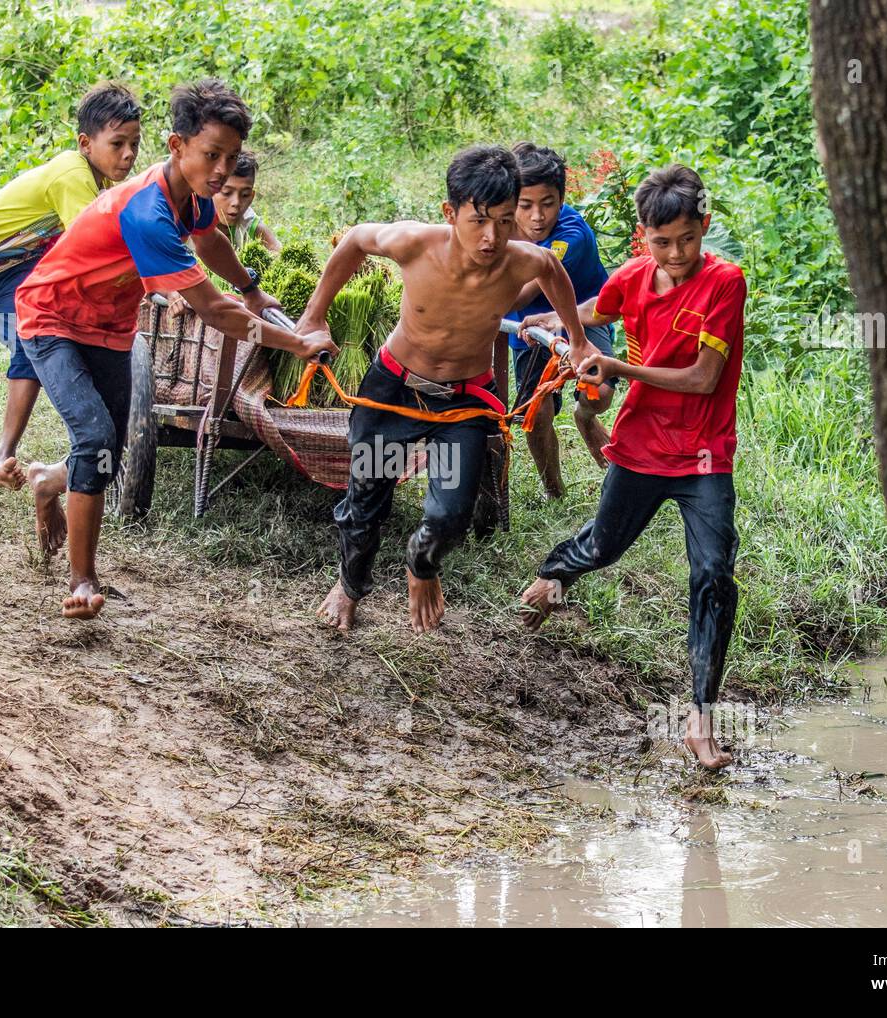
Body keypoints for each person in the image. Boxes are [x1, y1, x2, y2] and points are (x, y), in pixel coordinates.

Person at [14, 79, 336, 618]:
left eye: (231, 157)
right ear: (176, 146)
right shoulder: (148, 213)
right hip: (53, 318)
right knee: (94, 437)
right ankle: (83, 580)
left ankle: (49, 480)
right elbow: (214, 311)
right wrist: (294, 341)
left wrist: (252, 287)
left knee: (107, 454)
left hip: (111, 324)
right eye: (211, 154)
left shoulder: (194, 198)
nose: (220, 169)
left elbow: (210, 241)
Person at [295, 145, 590, 635]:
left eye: (503, 220)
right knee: (368, 499)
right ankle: (349, 585)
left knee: (451, 513)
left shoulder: (523, 261)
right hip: (392, 392)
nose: (491, 236)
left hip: (463, 401)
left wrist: (577, 342)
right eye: (478, 220)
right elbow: (352, 241)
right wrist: (314, 315)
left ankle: (422, 566)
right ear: (450, 213)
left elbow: (552, 272)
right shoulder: (414, 243)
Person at [519, 164, 747, 770]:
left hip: (703, 455)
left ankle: (700, 717)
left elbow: (703, 380)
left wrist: (618, 369)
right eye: (660, 242)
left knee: (714, 575)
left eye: (687, 239)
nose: (675, 255)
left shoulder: (726, 282)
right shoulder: (634, 277)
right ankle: (551, 577)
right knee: (603, 547)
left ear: (705, 226)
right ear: (641, 238)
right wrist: (555, 322)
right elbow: (600, 306)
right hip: (643, 445)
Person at [0, 83, 142, 492]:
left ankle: (2, 455)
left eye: (134, 144)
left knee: (27, 343)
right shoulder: (73, 174)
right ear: (85, 143)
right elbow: (96, 245)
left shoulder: (101, 186)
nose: (128, 154)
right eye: (117, 143)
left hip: (17, 272)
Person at [505, 142, 615, 498]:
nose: (537, 216)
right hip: (526, 328)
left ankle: (585, 416)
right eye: (526, 205)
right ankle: (554, 490)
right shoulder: (498, 226)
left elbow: (521, 290)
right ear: (511, 201)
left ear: (562, 199)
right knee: (534, 416)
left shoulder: (571, 235)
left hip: (582, 317)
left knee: (599, 390)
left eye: (548, 204)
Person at [212, 150, 281, 253]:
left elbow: (279, 253)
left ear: (252, 197)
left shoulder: (248, 223)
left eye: (245, 195)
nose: (236, 202)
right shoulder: (191, 219)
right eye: (226, 193)